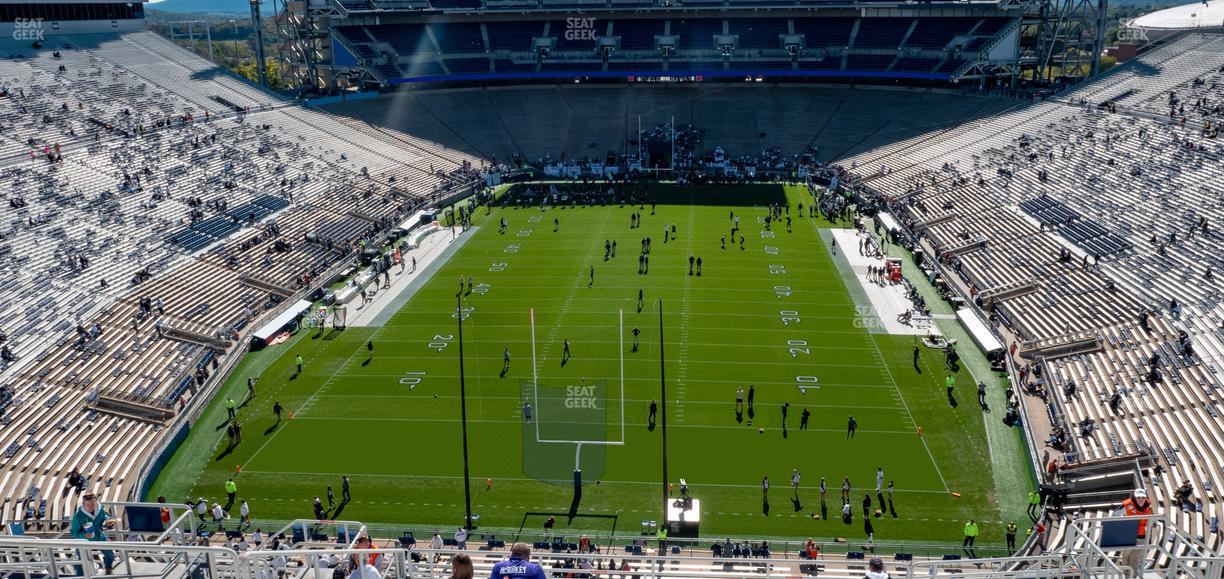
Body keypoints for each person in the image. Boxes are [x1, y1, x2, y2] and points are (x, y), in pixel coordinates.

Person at [70, 493, 114, 575]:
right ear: (83, 504)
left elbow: (103, 519)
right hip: (84, 540)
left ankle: (108, 571)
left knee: (110, 555)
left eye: (93, 504)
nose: (90, 507)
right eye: (87, 505)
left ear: (96, 502)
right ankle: (80, 577)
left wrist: (107, 522)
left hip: (99, 536)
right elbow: (74, 532)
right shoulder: (78, 516)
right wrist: (84, 535)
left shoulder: (100, 510)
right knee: (82, 561)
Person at [1121, 488, 1153, 572]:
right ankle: (1125, 573)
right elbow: (1115, 515)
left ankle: (1134, 575)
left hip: (1142, 536)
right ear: (1134, 497)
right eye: (1138, 497)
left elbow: (1150, 519)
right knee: (1126, 556)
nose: (1141, 500)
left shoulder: (1148, 507)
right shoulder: (1127, 505)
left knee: (1135, 558)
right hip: (1129, 535)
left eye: (1143, 497)